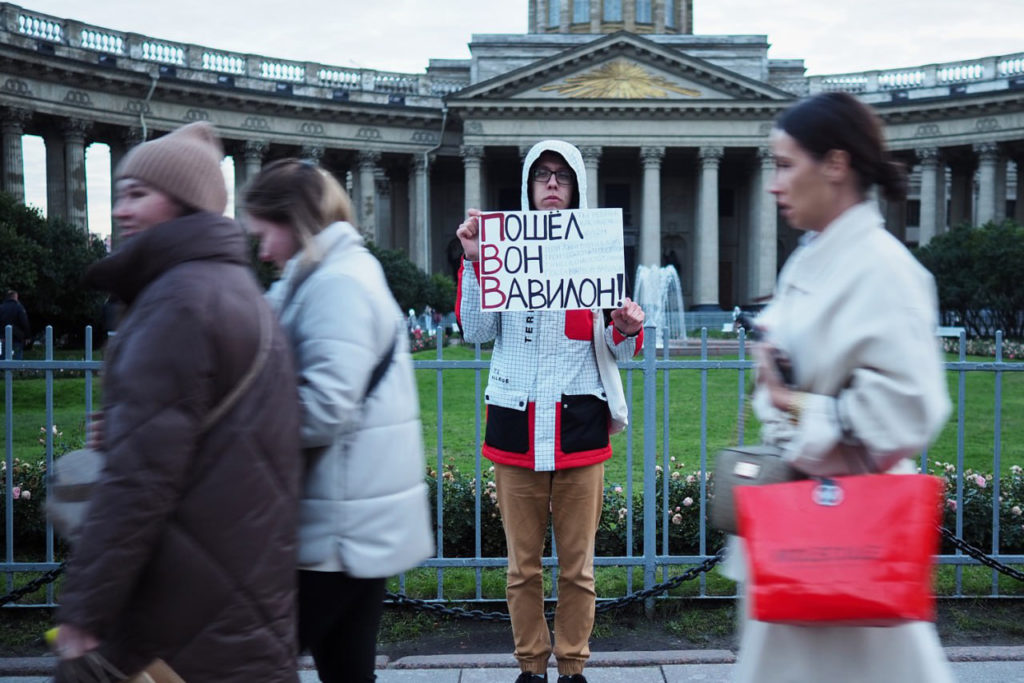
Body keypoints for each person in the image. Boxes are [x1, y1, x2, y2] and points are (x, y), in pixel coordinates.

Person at [54, 122, 303, 682]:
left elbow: (139, 481)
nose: (120, 210)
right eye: (121, 193)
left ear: (185, 202)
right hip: (243, 599)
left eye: (138, 194)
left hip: (177, 618)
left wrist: (86, 607)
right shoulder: (243, 296)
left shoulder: (177, 303)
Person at [726, 92, 955, 682]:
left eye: (784, 164)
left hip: (847, 532)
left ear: (835, 164)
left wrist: (792, 402)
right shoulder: (812, 259)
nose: (774, 184)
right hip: (798, 531)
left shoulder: (885, 268)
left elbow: (911, 409)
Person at [455, 140, 645, 683]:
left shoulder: (596, 252)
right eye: (543, 176)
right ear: (529, 187)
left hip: (578, 425)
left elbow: (617, 348)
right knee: (522, 569)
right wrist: (473, 262)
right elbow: (476, 331)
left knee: (578, 570)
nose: (553, 184)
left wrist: (626, 328)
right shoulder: (502, 250)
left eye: (562, 175)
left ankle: (573, 666)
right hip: (516, 423)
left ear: (577, 187)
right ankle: (531, 666)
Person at [242, 159, 434, 683]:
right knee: (347, 674)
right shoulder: (320, 275)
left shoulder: (336, 284)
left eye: (264, 232)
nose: (260, 250)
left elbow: (324, 407)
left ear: (296, 221)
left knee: (249, 666)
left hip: (339, 524)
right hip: (350, 517)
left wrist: (239, 424)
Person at [0, 290, 30, 359]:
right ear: (15, 297)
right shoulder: (19, 308)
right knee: (17, 356)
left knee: (2, 357)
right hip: (17, 337)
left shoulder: (1, 308)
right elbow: (24, 323)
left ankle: (3, 369)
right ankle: (16, 369)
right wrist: (27, 336)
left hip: (2, 337)